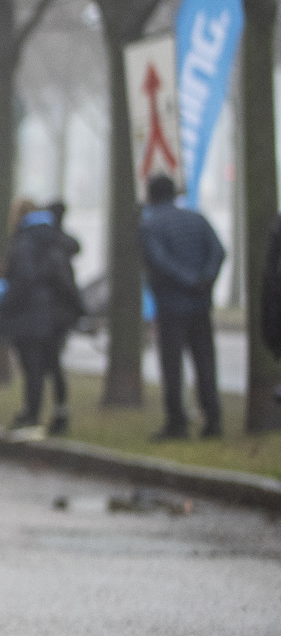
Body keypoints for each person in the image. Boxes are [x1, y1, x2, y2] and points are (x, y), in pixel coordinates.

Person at [140, 174, 227, 440]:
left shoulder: (149, 225)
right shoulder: (196, 218)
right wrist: (205, 280)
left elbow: (159, 261)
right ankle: (213, 420)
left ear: (151, 195)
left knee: (172, 366)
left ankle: (177, 423)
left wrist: (187, 281)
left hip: (170, 305)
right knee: (205, 362)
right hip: (200, 304)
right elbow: (218, 251)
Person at [0, 199, 83, 435]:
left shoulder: (24, 240)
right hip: (58, 312)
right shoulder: (55, 237)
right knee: (54, 364)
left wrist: (6, 305)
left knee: (32, 365)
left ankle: (31, 414)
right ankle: (61, 412)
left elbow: (23, 278)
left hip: (30, 312)